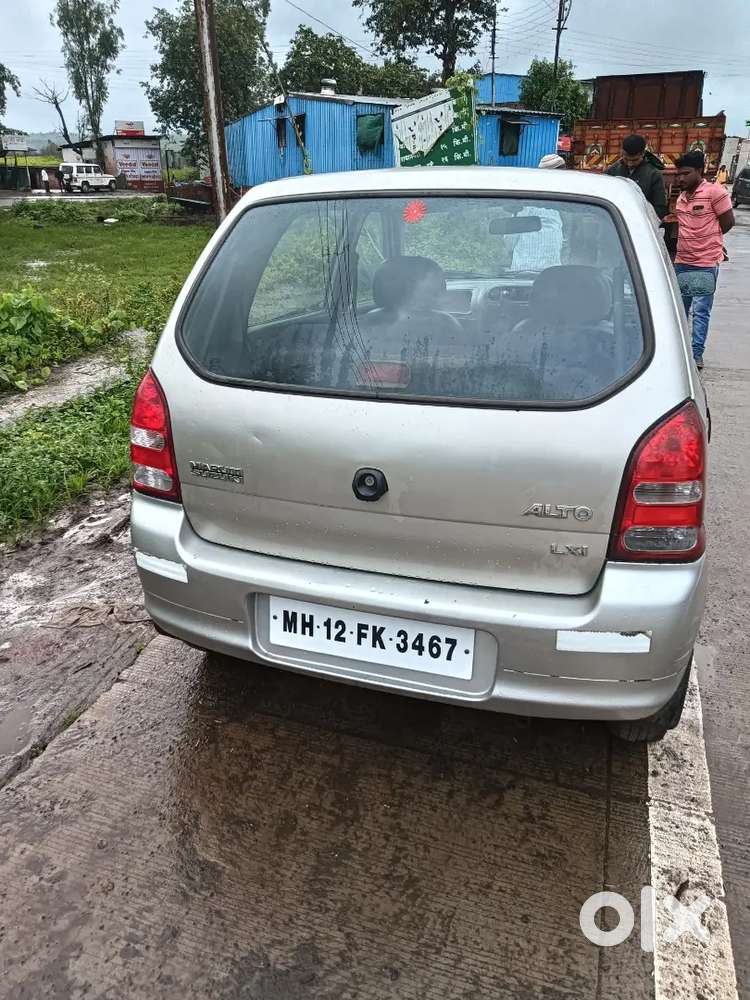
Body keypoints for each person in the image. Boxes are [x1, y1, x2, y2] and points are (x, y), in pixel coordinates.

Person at [673, 150, 735, 369]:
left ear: (699, 171)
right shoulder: (681, 197)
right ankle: (679, 351)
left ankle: (696, 353)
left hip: (705, 262)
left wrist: (711, 243)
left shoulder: (715, 192)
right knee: (680, 309)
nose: (681, 178)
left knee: (700, 311)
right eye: (678, 174)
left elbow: (727, 222)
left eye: (686, 174)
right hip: (682, 260)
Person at [511, 154, 565, 271]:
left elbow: (509, 242)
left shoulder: (525, 200)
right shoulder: (567, 200)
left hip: (524, 273)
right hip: (544, 274)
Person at [607, 134, 668, 220]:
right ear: (622, 152)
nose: (630, 163)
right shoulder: (612, 171)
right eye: (626, 159)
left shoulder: (653, 174)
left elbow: (660, 208)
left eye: (634, 160)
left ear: (642, 154)